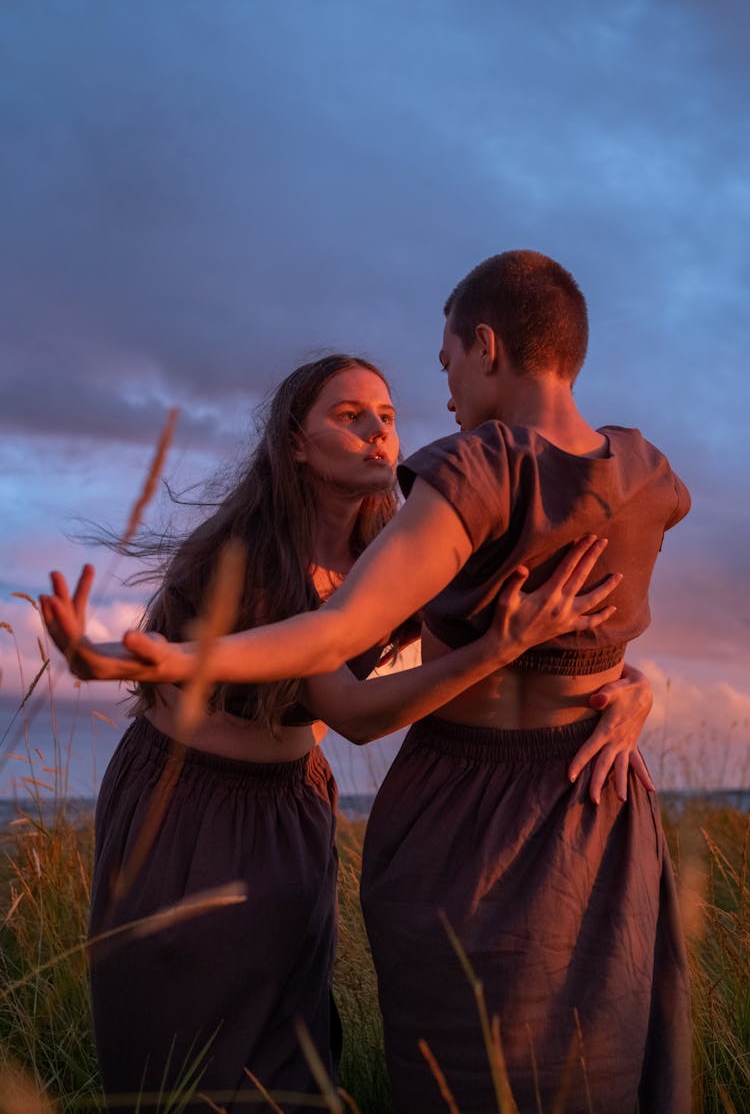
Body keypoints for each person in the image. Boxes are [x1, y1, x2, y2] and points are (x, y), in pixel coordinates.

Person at [41, 352, 647, 1112]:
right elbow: (356, 711)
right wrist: (503, 645)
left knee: (291, 1055)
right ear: (296, 443)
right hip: (185, 809)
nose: (378, 433)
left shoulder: (392, 553)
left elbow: (482, 659)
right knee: (181, 1056)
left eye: (387, 417)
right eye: (350, 415)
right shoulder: (255, 555)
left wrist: (625, 685)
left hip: (294, 806)